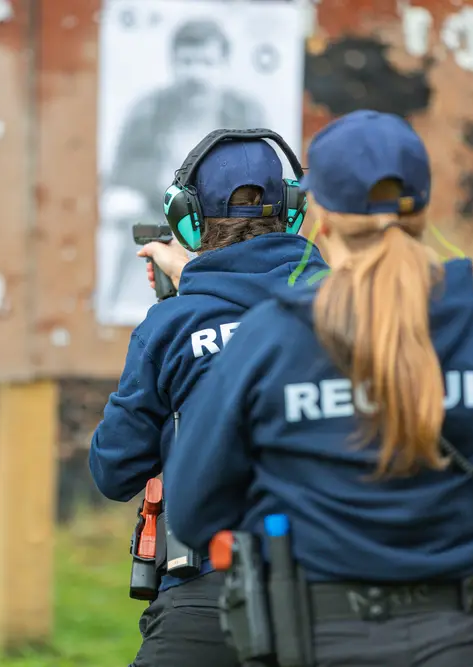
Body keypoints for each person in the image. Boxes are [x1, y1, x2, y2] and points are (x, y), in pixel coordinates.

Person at [165, 110, 473, 667]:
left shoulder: (269, 341)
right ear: (424, 211)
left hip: (318, 641)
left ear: (320, 217)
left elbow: (192, 512)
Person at [89, 132, 325, 667]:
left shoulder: (173, 326)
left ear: (187, 219)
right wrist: (198, 283)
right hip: (336, 593)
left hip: (207, 595)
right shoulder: (347, 307)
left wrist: (190, 296)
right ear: (292, 211)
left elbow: (113, 469)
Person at [100, 19, 269, 319]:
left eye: (206, 62)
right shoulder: (148, 111)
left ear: (224, 64)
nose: (196, 73)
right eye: (187, 62)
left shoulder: (245, 112)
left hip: (229, 230)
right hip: (160, 221)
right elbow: (125, 174)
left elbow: (263, 178)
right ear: (173, 63)